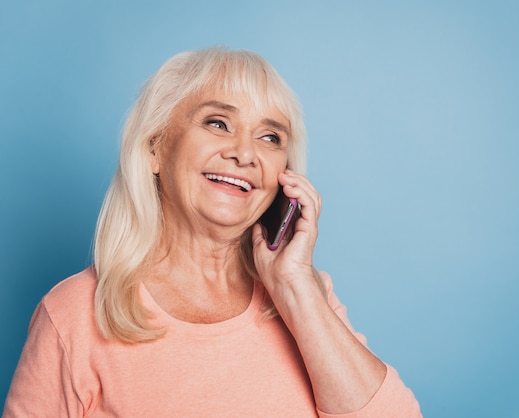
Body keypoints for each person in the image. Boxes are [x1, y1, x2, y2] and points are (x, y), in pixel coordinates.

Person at [3, 47, 422, 417]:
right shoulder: (73, 314)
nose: (244, 153)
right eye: (218, 123)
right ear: (154, 148)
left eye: (270, 137)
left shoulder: (308, 299)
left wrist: (295, 287)